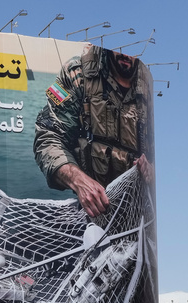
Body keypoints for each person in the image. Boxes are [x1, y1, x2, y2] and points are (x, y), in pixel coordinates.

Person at [34, 43, 154, 219]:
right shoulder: (76, 73)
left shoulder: (149, 86)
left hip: (140, 213)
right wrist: (78, 180)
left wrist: (153, 171)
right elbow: (48, 137)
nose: (126, 55)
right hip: (92, 214)